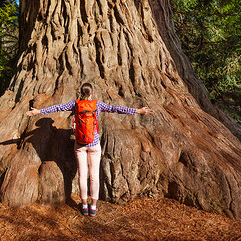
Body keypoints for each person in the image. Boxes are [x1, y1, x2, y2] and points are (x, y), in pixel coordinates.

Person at [26, 83, 154, 217]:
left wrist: (38, 111)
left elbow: (58, 107)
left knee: (82, 175)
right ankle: (93, 206)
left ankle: (84, 204)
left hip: (80, 144)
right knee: (94, 176)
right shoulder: (97, 104)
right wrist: (138, 111)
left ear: (80, 93)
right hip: (94, 144)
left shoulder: (75, 104)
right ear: (92, 93)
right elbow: (115, 108)